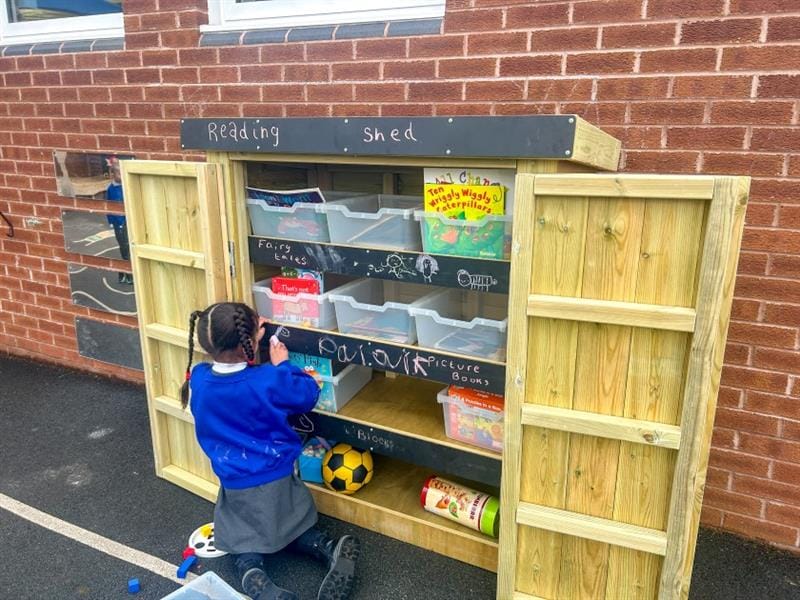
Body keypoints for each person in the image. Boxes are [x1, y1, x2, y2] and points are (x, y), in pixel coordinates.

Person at [180, 302, 360, 600]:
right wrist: (283, 364)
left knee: (243, 543)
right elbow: (306, 394)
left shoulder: (199, 378)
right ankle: (324, 547)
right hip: (277, 477)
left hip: (235, 482)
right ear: (250, 343)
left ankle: (252, 573)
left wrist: (249, 339)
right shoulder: (268, 378)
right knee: (298, 524)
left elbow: (231, 379)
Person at [105, 158, 132, 284]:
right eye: (119, 174)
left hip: (128, 221)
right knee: (124, 247)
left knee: (129, 246)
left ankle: (127, 271)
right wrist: (111, 221)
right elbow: (109, 206)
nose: (122, 176)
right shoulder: (111, 189)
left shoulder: (126, 186)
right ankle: (126, 272)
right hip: (119, 223)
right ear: (113, 174)